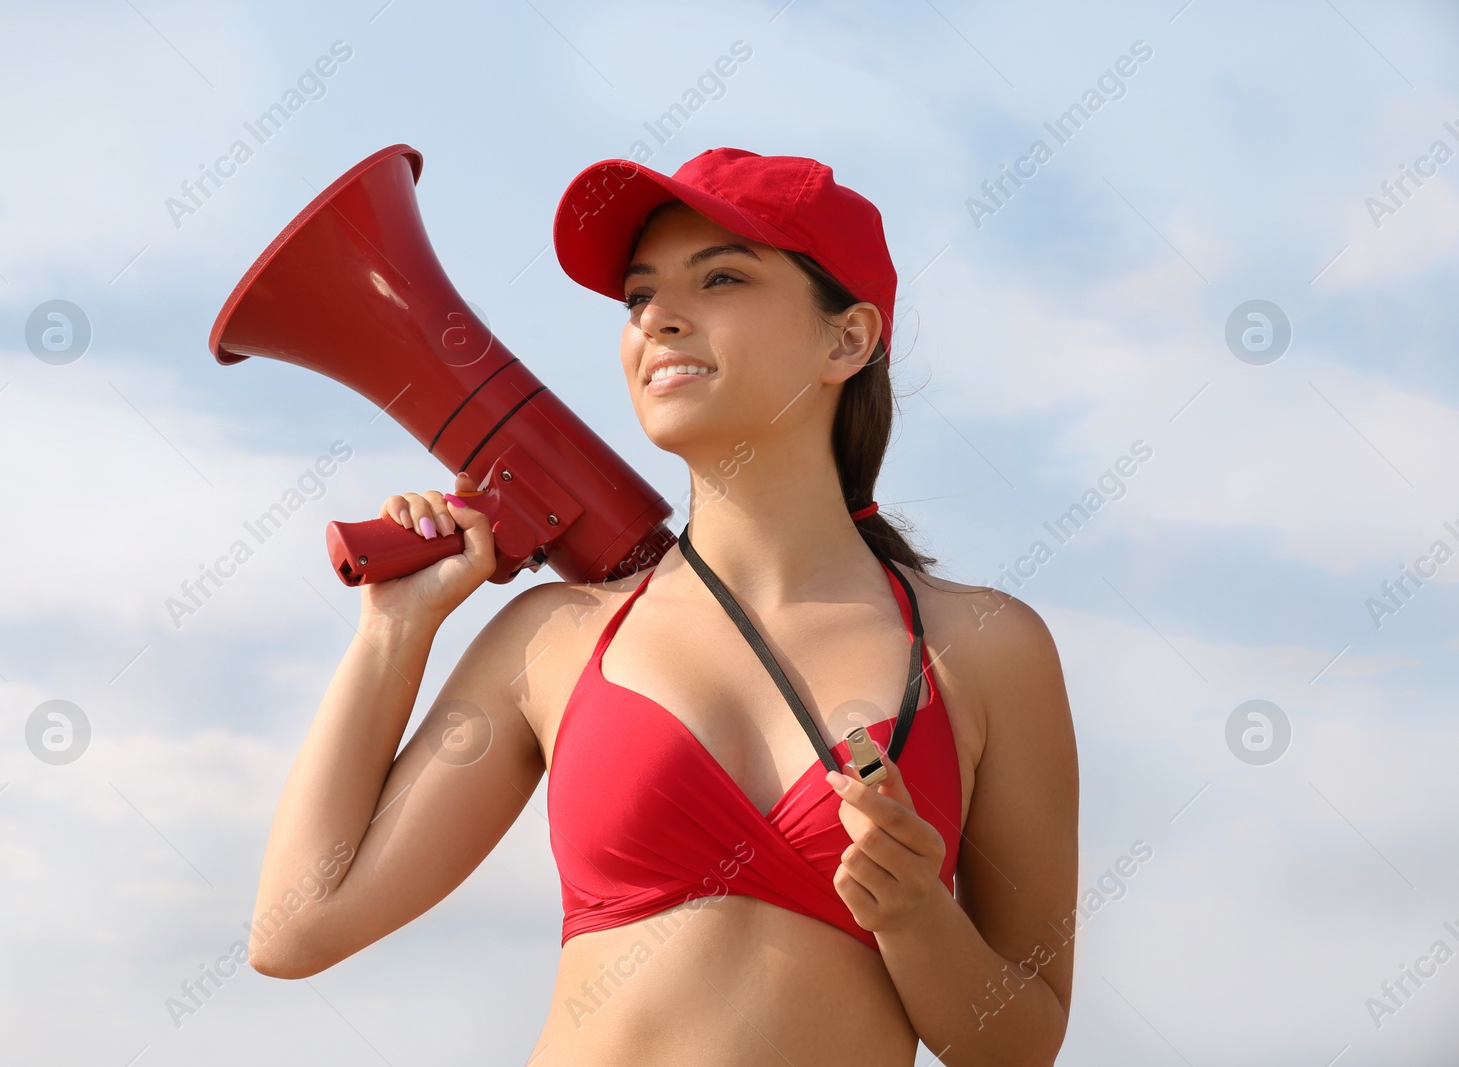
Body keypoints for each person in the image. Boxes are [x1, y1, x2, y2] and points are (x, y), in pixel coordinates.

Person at [247, 147, 1079, 1066]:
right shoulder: (554, 639)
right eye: (639, 297)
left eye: (720, 277)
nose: (660, 321)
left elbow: (1020, 1046)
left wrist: (920, 916)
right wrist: (393, 630)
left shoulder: (984, 647)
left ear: (847, 339)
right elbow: (295, 931)